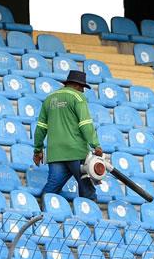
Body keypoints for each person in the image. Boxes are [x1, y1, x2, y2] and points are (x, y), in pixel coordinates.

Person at [32, 69, 103, 206]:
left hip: (56, 153)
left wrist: (37, 150)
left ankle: (41, 213)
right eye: (82, 87)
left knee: (52, 188)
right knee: (87, 189)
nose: (82, 90)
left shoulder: (49, 99)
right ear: (77, 85)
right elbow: (85, 124)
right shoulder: (78, 97)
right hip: (76, 152)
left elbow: (41, 127)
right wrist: (96, 145)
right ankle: (91, 220)